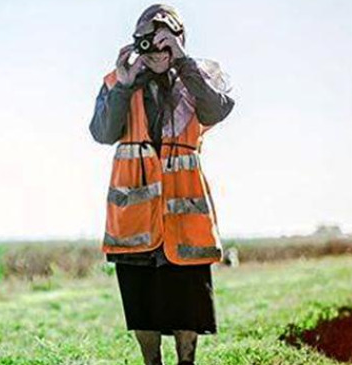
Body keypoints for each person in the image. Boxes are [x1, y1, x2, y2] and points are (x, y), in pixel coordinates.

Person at [88, 4, 235, 365]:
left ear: (179, 40)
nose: (155, 51)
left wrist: (182, 61)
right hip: (135, 220)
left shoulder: (201, 76)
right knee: (143, 304)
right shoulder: (116, 81)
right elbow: (103, 133)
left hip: (184, 219)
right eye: (147, 42)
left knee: (188, 303)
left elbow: (215, 111)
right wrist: (124, 85)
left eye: (163, 42)